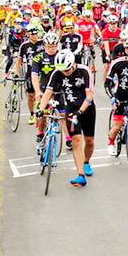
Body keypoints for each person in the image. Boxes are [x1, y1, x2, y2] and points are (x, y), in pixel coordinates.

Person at [38, 50, 96, 187]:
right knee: (76, 141)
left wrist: (80, 112)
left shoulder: (84, 71)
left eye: (68, 69)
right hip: (70, 109)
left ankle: (86, 161)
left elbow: (89, 96)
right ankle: (81, 175)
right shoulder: (57, 73)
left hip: (86, 109)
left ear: (74, 64)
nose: (65, 73)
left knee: (89, 141)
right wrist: (40, 109)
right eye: (63, 70)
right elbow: (48, 93)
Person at [30, 32, 60, 143]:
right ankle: (40, 132)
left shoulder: (61, 56)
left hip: (58, 88)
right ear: (44, 46)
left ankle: (68, 137)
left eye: (53, 46)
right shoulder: (38, 58)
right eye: (48, 46)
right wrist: (37, 91)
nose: (51, 49)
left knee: (64, 112)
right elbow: (34, 75)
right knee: (42, 111)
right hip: (44, 87)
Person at [14, 24, 44, 125]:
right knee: (31, 96)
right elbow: (19, 61)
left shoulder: (43, 43)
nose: (35, 36)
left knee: (42, 93)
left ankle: (42, 111)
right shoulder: (24, 46)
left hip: (43, 72)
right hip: (30, 72)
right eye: (32, 34)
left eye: (36, 33)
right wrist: (16, 73)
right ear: (28, 34)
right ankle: (32, 114)